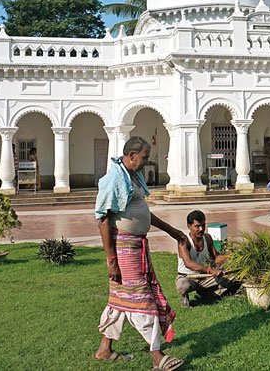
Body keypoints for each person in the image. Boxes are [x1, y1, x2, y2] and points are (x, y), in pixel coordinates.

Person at [94, 136, 186, 371]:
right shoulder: (114, 178)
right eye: (144, 157)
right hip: (124, 249)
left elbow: (142, 212)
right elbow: (103, 219)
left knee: (120, 299)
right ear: (132, 155)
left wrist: (172, 231)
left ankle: (105, 349)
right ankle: (157, 355)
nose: (146, 161)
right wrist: (111, 260)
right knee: (141, 299)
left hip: (137, 246)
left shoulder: (132, 176)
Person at [176, 210, 239, 307]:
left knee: (233, 277)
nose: (201, 229)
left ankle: (206, 294)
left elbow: (216, 258)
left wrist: (231, 256)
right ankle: (185, 297)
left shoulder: (207, 238)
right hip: (187, 277)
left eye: (203, 225)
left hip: (205, 277)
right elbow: (188, 263)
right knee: (183, 285)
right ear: (189, 226)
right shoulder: (184, 241)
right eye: (197, 226)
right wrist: (209, 270)